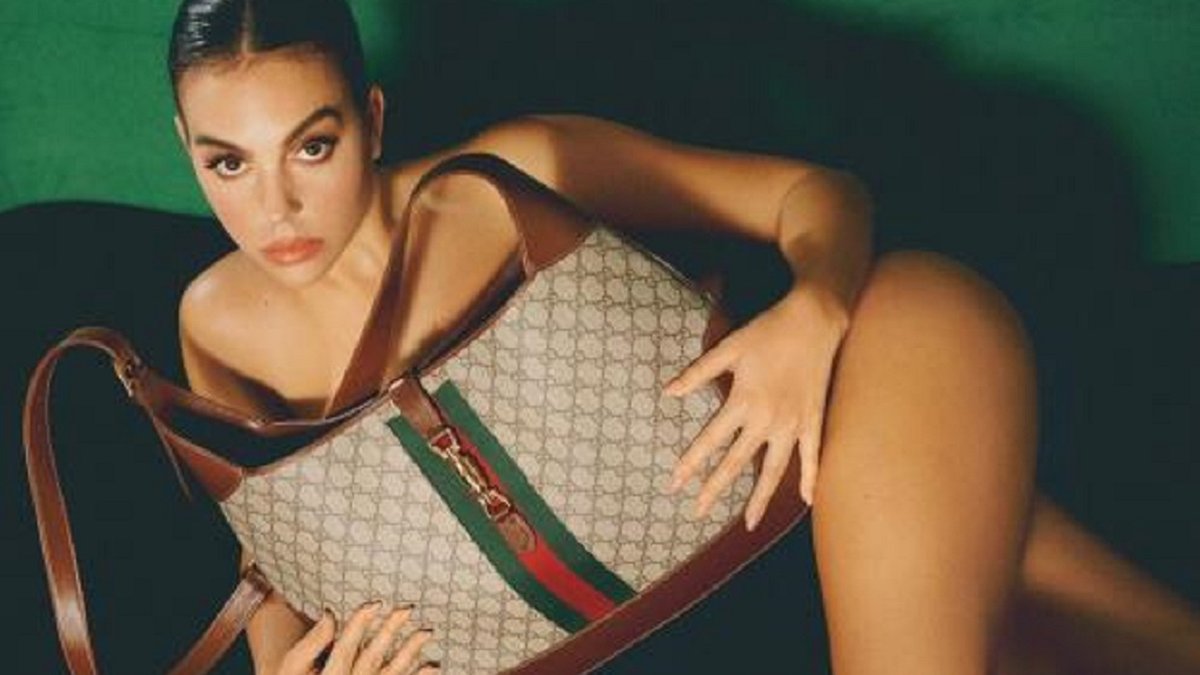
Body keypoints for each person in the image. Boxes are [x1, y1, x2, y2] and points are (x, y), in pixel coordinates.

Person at [165, 0, 1200, 673]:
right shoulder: (215, 321)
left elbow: (813, 193)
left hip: (857, 393)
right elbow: (279, 548)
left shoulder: (511, 172)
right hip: (770, 561)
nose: (276, 208)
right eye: (228, 163)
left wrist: (812, 312)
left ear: (373, 118)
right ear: (187, 149)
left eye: (312, 145)